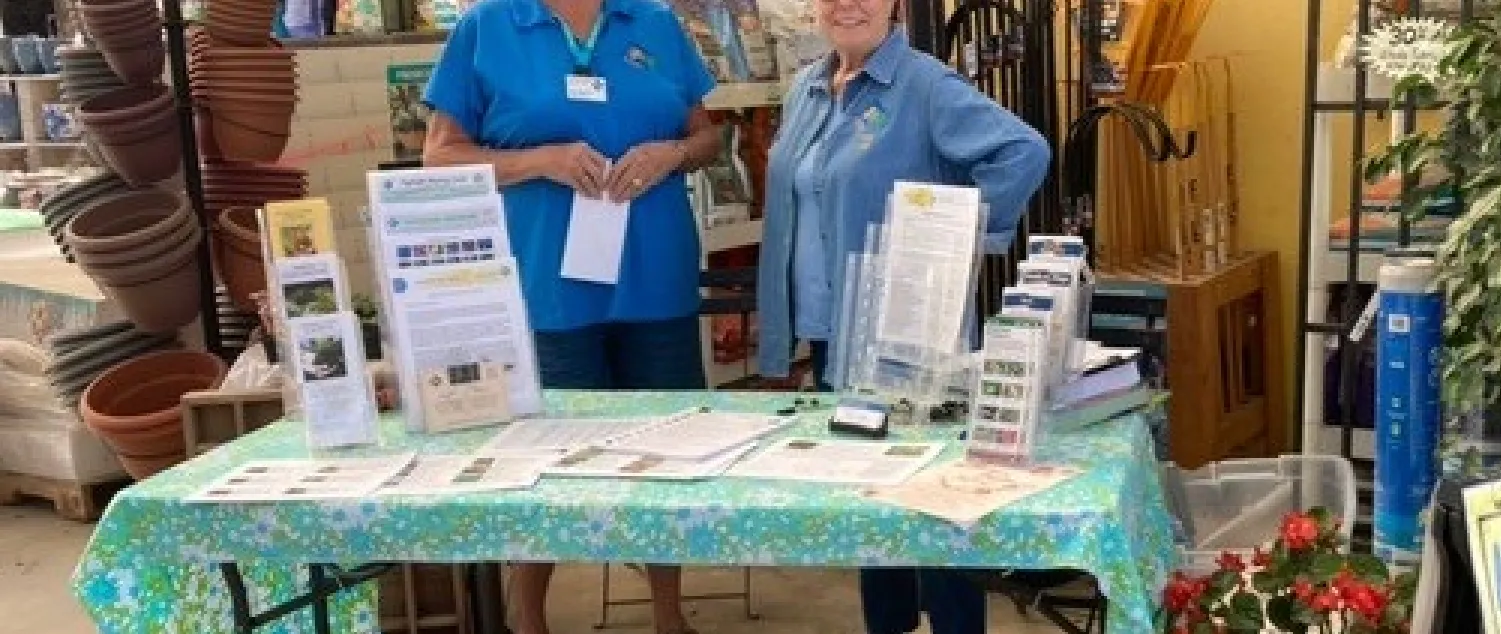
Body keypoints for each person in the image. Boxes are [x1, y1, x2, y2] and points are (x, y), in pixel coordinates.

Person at [420, 0, 721, 631]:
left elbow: (707, 137)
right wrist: (539, 161)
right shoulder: (488, 26)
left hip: (655, 278)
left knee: (665, 452)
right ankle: (529, 619)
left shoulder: (654, 22)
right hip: (546, 286)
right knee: (542, 458)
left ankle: (669, 616)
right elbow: (439, 156)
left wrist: (671, 153)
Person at [753, 0, 1051, 630]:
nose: (848, 5)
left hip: (909, 343)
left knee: (935, 511)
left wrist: (950, 235)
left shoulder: (925, 86)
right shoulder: (807, 88)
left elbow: (1025, 152)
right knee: (871, 504)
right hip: (834, 337)